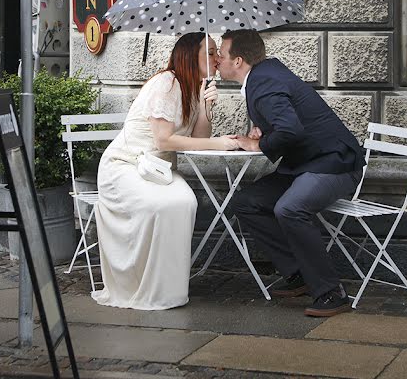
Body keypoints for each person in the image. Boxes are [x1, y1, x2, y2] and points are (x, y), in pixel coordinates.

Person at [216, 29, 365, 317]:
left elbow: (290, 129)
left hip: (333, 164)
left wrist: (257, 143)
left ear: (238, 61)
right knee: (245, 203)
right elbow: (288, 122)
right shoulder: (264, 76)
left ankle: (332, 293)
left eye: (221, 56)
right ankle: (298, 274)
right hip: (306, 164)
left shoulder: (264, 82)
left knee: (290, 208)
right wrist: (265, 132)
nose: (217, 61)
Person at [93, 32, 238, 310]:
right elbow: (164, 140)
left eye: (217, 52)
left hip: (157, 170)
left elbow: (197, 140)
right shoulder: (167, 83)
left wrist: (206, 108)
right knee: (165, 204)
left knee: (186, 201)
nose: (217, 58)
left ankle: (168, 290)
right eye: (210, 52)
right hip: (126, 166)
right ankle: (141, 285)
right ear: (189, 56)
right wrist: (217, 142)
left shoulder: (195, 88)